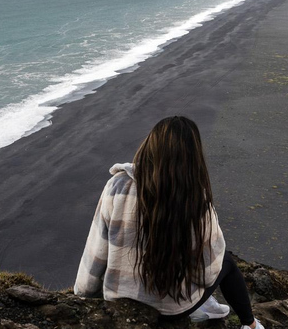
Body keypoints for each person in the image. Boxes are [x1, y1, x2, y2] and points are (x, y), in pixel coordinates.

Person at [74, 116, 263, 329]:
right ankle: (251, 325)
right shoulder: (195, 198)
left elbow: (97, 250)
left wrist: (84, 295)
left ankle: (212, 309)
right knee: (226, 261)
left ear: (150, 145)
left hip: (119, 299)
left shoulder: (117, 186)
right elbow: (210, 270)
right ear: (193, 156)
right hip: (174, 309)